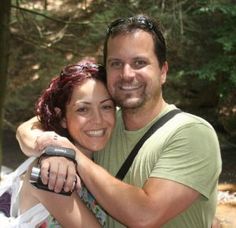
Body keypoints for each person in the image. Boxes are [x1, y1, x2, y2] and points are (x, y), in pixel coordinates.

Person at [16, 14, 222, 227]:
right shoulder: (106, 122)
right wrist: (53, 149)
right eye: (116, 63)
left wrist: (67, 152)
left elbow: (145, 216)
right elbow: (34, 125)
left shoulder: (191, 133)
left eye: (139, 62)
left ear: (163, 71)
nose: (127, 74)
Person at [16, 62, 116, 227]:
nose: (98, 120)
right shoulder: (50, 171)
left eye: (106, 107)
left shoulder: (92, 165)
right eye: (83, 109)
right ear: (61, 117)